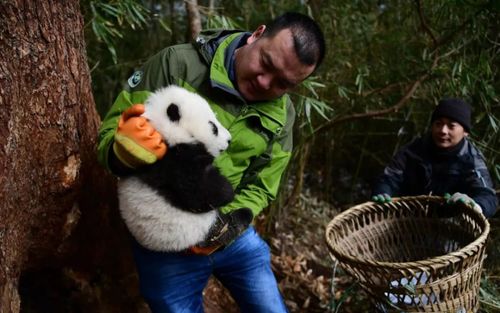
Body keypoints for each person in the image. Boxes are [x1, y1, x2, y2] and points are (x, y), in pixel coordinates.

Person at [97, 12, 326, 313]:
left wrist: (227, 224)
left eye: (282, 83)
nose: (264, 81)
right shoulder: (178, 64)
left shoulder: (283, 116)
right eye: (266, 63)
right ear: (257, 34)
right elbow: (108, 139)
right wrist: (123, 150)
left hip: (232, 234)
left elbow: (264, 184)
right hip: (164, 234)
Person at [371, 98, 498, 218]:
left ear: (465, 132)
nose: (443, 130)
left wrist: (475, 205)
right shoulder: (413, 150)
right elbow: (389, 177)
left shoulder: (471, 159)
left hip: (449, 227)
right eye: (438, 123)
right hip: (406, 220)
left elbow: (488, 196)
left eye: (451, 126)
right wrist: (383, 192)